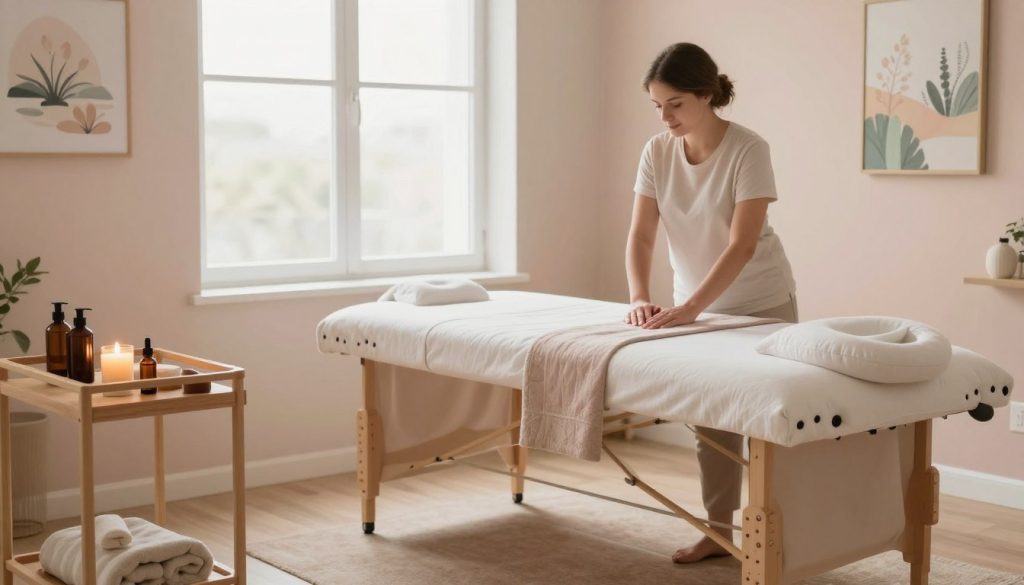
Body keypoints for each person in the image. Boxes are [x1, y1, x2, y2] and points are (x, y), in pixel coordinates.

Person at [624, 42, 798, 564]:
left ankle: (785, 533)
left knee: (772, 425)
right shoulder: (656, 151)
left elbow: (742, 244)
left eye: (675, 103)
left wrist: (695, 306)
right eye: (657, 105)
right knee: (712, 428)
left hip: (761, 304)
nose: (665, 116)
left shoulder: (748, 148)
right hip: (693, 306)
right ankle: (717, 532)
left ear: (706, 94)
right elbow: (640, 237)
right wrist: (638, 296)